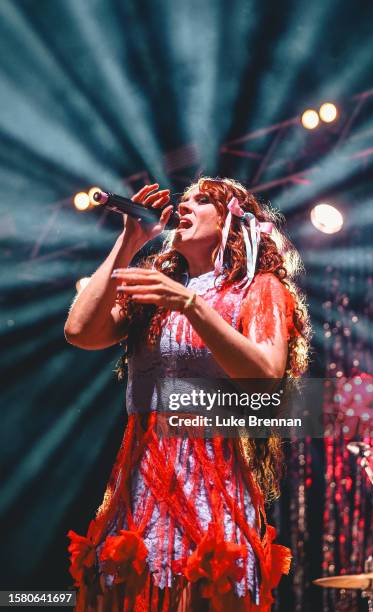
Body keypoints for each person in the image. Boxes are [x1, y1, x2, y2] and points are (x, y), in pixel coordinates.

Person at [64, 177, 311, 611]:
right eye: (185, 198)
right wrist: (128, 240)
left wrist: (191, 306)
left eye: (201, 200)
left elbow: (266, 380)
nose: (184, 204)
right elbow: (80, 331)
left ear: (232, 223)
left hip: (210, 478)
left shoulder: (256, 288)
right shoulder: (155, 290)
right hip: (140, 477)